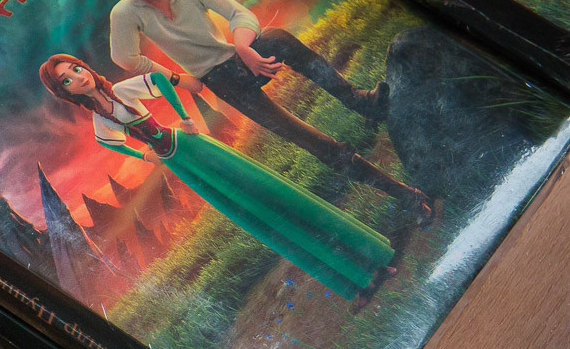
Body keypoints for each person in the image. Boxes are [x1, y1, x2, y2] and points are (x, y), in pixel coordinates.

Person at [104, 0, 434, 224]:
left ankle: (361, 102)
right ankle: (407, 197)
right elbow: (125, 58)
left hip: (242, 57)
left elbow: (240, 15)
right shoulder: (125, 13)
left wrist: (244, 47)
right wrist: (177, 78)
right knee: (309, 139)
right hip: (221, 81)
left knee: (277, 38)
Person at [38, 53, 396, 302]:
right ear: (65, 91)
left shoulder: (122, 91)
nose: (77, 77)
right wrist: (142, 155)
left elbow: (160, 79)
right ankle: (355, 281)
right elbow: (109, 142)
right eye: (67, 80)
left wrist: (183, 116)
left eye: (75, 69)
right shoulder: (99, 118)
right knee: (256, 215)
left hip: (191, 145)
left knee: (271, 193)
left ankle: (374, 258)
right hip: (181, 165)